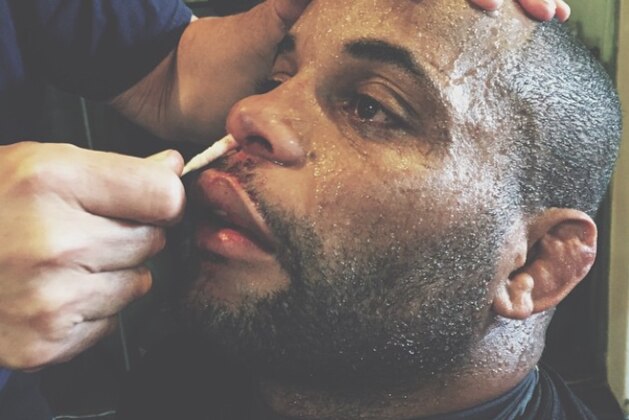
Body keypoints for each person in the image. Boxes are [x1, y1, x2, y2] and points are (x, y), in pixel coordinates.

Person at [0, 0, 575, 417]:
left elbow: (162, 68)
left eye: (371, 107)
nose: (247, 112)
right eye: (279, 76)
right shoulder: (180, 380)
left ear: (534, 265)